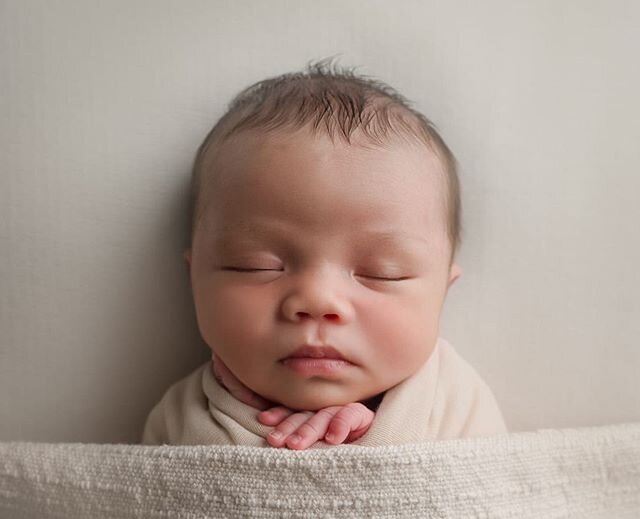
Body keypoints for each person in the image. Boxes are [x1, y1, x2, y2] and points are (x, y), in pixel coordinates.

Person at [141, 59, 507, 448]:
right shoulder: (183, 415)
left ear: (443, 291)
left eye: (383, 272)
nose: (317, 300)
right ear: (194, 277)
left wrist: (374, 435)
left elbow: (483, 493)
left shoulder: (452, 399)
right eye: (255, 266)